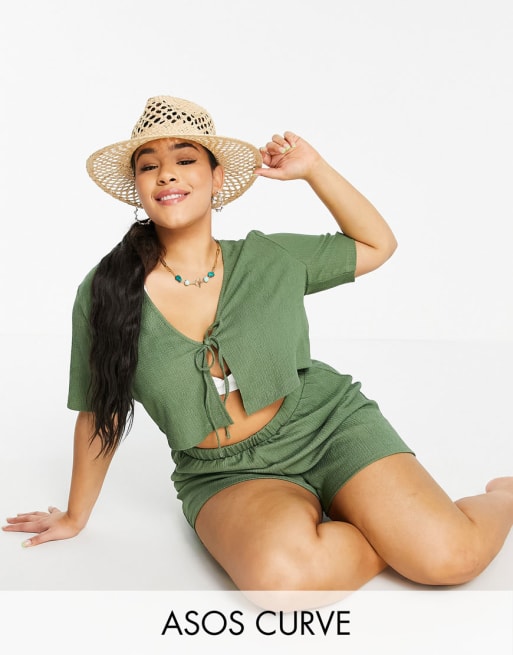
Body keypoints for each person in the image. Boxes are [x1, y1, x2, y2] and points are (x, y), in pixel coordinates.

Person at [3, 96, 513, 599]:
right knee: (280, 583)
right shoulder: (107, 292)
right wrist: (75, 516)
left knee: (452, 559)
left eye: (185, 159)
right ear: (138, 187)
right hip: (226, 474)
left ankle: (501, 496)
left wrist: (315, 171)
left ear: (217, 177)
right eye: (149, 166)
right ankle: (384, 529)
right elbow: (101, 411)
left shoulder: (270, 257)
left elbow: (378, 245)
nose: (167, 174)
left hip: (326, 428)